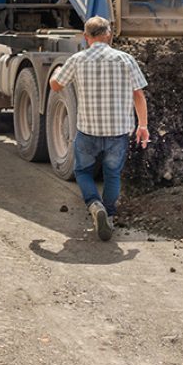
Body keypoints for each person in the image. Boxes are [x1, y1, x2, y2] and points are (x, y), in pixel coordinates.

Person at [50, 15, 149, 241]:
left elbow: (56, 86)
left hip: (88, 132)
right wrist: (143, 125)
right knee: (112, 174)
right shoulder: (125, 59)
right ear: (109, 35)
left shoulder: (77, 59)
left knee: (83, 172)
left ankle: (95, 205)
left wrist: (56, 73)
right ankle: (110, 216)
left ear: (86, 37)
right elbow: (139, 95)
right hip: (118, 133)